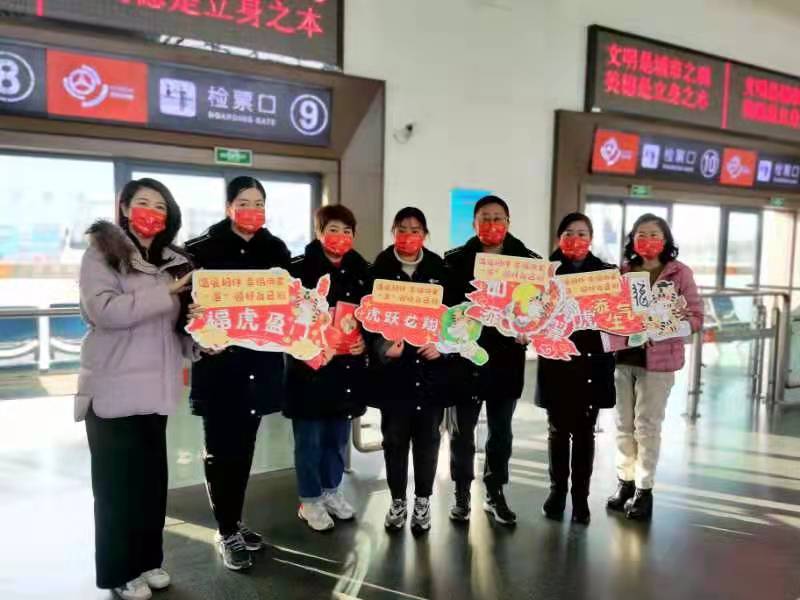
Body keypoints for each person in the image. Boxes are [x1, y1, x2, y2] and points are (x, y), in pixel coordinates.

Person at [77, 178, 194, 600]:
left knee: (150, 487)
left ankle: (147, 561)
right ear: (124, 208)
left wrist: (201, 341)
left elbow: (176, 328)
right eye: (143, 203)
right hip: (112, 391)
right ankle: (119, 571)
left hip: (156, 393)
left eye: (160, 206)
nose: (152, 212)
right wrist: (166, 291)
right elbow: (104, 311)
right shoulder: (102, 253)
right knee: (115, 491)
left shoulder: (176, 262)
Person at [185, 176, 290, 570]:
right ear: (229, 206)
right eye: (244, 202)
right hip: (218, 367)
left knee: (244, 449)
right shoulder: (201, 249)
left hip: (258, 368)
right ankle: (225, 529)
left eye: (259, 203)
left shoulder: (276, 249)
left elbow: (288, 304)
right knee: (219, 451)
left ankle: (234, 520)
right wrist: (193, 325)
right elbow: (183, 309)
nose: (252, 210)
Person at [445, 195, 541, 526]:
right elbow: (444, 309)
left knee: (501, 431)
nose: (491, 224)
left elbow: (539, 310)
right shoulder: (455, 261)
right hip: (465, 358)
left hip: (506, 359)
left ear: (508, 223)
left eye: (498, 217)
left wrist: (531, 330)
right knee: (462, 432)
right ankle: (461, 492)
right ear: (474, 224)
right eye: (484, 218)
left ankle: (495, 491)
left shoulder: (528, 263)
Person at [370, 207, 464, 532]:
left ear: (425, 234)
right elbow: (366, 320)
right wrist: (382, 347)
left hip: (430, 373)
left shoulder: (442, 270)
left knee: (428, 441)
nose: (408, 235)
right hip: (394, 375)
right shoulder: (378, 269)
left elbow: (458, 318)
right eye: (402, 229)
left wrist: (444, 347)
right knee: (394, 441)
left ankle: (423, 501)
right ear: (393, 232)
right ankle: (397, 501)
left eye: (415, 230)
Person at [606, 213, 703, 521]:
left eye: (654, 234)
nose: (647, 240)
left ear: (666, 240)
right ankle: (625, 482)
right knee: (623, 425)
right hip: (623, 359)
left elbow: (696, 318)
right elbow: (608, 311)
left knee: (647, 426)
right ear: (632, 240)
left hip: (658, 364)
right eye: (641, 234)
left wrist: (661, 331)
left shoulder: (679, 273)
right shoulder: (622, 272)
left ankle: (644, 490)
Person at [284, 205, 371, 532]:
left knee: (337, 438)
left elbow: (372, 316)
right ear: (319, 232)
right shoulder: (296, 269)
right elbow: (284, 317)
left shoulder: (362, 270)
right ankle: (309, 500)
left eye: (347, 231)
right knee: (309, 440)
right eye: (333, 229)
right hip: (308, 370)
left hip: (346, 370)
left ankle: (331, 491)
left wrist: (364, 341)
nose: (341, 237)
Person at [535, 213, 616, 525]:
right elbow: (529, 311)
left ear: (591, 239)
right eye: (569, 233)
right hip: (557, 359)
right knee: (557, 431)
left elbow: (618, 316)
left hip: (592, 362)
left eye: (582, 233)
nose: (576, 239)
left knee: (584, 433)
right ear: (559, 237)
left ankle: (580, 498)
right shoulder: (544, 273)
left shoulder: (606, 274)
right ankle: (557, 492)